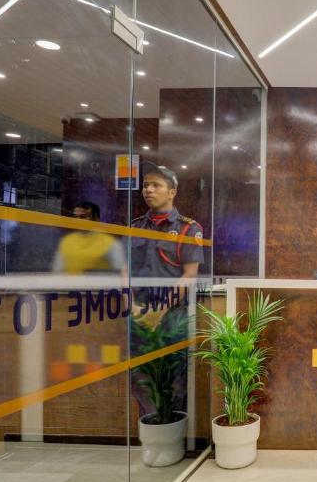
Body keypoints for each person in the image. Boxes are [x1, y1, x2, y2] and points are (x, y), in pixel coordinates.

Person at [129, 165, 205, 421]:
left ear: (171, 192)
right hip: (138, 314)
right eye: (146, 185)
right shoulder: (135, 227)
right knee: (141, 376)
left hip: (171, 315)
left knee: (174, 377)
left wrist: (159, 311)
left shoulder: (188, 229)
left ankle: (174, 433)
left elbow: (189, 276)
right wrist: (134, 308)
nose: (148, 190)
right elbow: (123, 272)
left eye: (156, 185)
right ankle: (151, 429)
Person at [52, 201, 125, 274]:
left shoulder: (110, 243)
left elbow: (121, 272)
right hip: (69, 284)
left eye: (82, 217)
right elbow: (57, 271)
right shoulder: (67, 241)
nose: (77, 220)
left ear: (96, 219)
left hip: (98, 284)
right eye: (75, 217)